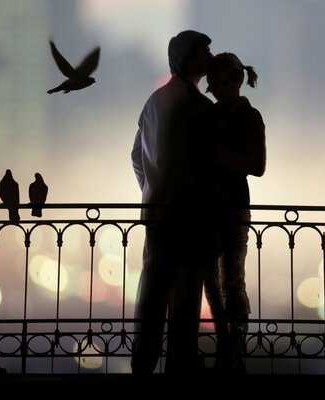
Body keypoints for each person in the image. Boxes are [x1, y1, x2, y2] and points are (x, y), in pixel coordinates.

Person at [130, 30, 215, 374]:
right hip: (188, 214)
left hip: (155, 212)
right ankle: (178, 366)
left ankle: (142, 363)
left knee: (151, 294)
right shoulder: (199, 107)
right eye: (205, 52)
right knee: (185, 297)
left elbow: (136, 155)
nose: (210, 57)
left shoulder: (154, 101)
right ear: (191, 58)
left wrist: (150, 189)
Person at [202, 52, 266, 373]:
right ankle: (228, 343)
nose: (218, 90)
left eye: (222, 84)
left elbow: (258, 166)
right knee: (212, 281)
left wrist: (218, 156)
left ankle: (233, 348)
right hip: (209, 208)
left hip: (232, 208)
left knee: (232, 279)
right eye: (214, 85)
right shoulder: (212, 115)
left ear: (237, 82)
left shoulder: (248, 117)